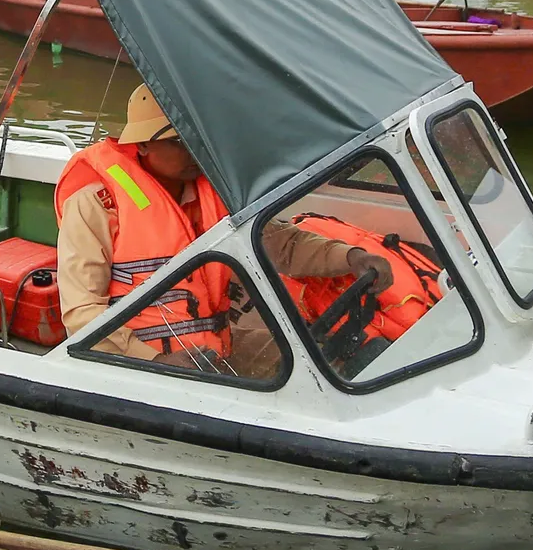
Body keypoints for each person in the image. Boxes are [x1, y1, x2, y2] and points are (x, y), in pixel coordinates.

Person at [55, 83, 397, 374]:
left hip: (214, 349)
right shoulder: (96, 204)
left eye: (197, 138)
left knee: (323, 358)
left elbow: (280, 244)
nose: (192, 150)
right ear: (141, 145)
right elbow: (82, 314)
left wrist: (349, 257)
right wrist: (156, 361)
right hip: (138, 366)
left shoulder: (210, 191)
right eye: (176, 140)